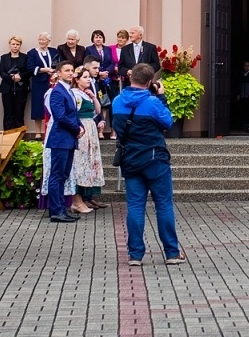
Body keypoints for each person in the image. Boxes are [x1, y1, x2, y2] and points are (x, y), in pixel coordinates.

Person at [112, 63, 183, 266]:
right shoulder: (152, 102)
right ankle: (171, 252)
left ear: (130, 77)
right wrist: (161, 97)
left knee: (135, 205)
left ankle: (135, 255)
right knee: (163, 204)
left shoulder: (117, 102)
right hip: (154, 159)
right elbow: (168, 122)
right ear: (150, 82)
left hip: (130, 159)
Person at [42, 60, 83, 222]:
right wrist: (76, 128)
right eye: (66, 70)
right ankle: (56, 211)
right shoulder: (57, 91)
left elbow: (72, 114)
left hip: (69, 139)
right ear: (58, 73)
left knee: (63, 175)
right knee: (57, 175)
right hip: (60, 139)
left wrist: (80, 126)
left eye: (72, 70)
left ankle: (61, 209)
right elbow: (60, 117)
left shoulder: (69, 91)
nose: (70, 73)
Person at [69, 68, 106, 212]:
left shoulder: (87, 93)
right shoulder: (74, 93)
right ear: (77, 80)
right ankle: (77, 199)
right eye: (85, 77)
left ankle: (87, 196)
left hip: (91, 126)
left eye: (89, 77)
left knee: (90, 160)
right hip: (83, 127)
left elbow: (97, 111)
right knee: (81, 160)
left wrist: (94, 97)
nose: (88, 79)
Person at [87, 31, 119, 136]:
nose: (98, 39)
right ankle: (99, 130)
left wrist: (107, 72)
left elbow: (111, 63)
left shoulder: (107, 49)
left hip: (108, 80)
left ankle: (109, 129)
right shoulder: (89, 49)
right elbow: (88, 62)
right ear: (93, 39)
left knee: (107, 103)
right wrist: (98, 73)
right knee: (98, 103)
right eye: (96, 37)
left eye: (100, 37)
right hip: (96, 80)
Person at [0, 37, 33, 131]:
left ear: (20, 46)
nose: (15, 46)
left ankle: (19, 137)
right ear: (10, 45)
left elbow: (29, 71)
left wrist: (20, 76)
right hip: (7, 89)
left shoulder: (25, 57)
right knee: (8, 113)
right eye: (13, 44)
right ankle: (7, 135)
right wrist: (12, 77)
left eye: (17, 44)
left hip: (21, 89)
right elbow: (2, 72)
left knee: (19, 112)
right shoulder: (4, 57)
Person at [27, 34, 57, 137]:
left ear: (48, 41)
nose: (42, 41)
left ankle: (50, 130)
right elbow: (30, 67)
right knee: (38, 105)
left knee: (52, 104)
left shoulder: (54, 51)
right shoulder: (32, 53)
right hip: (38, 82)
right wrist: (44, 70)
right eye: (40, 39)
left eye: (44, 40)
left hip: (52, 81)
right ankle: (38, 132)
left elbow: (58, 63)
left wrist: (53, 71)